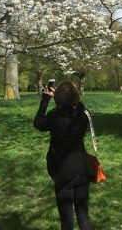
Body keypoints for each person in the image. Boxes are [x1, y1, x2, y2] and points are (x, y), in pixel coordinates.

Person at [33, 80, 96, 230]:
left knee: (67, 221)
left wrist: (46, 99)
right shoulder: (85, 115)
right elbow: (72, 111)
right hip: (82, 170)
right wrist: (62, 99)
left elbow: (38, 123)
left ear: (59, 98)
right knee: (83, 215)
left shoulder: (55, 117)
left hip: (63, 172)